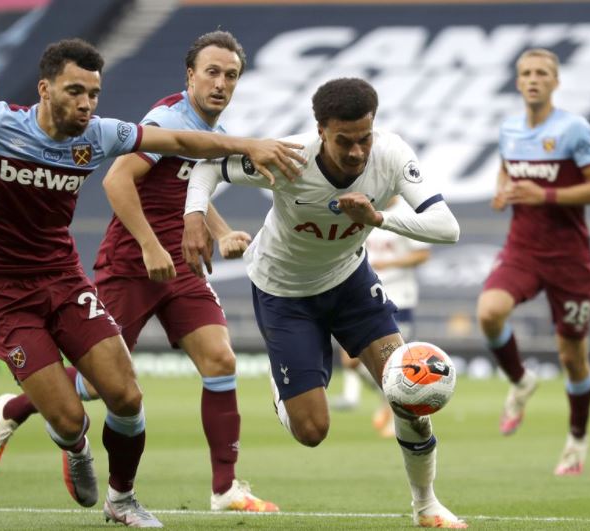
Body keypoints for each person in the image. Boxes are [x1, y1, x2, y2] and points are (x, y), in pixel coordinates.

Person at [0, 38, 302, 528]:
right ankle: (75, 447)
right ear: (45, 90)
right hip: (4, 293)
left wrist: (247, 145)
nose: (87, 104)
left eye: (94, 93)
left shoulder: (98, 135)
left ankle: (123, 500)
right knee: (70, 419)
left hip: (65, 280)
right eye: (75, 91)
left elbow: (178, 146)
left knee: (127, 395)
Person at [0, 31, 277, 513]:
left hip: (180, 267)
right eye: (212, 72)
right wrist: (148, 245)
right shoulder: (168, 119)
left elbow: (191, 193)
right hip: (131, 264)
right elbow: (117, 178)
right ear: (190, 75)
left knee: (221, 361)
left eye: (230, 75)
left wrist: (220, 231)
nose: (221, 83)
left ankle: (225, 490)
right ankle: (14, 408)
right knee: (102, 386)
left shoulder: (215, 130)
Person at [182, 78, 466, 528]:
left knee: (407, 393)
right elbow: (207, 168)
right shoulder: (287, 158)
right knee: (312, 432)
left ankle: (426, 504)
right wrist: (195, 216)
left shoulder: (391, 155)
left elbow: (447, 227)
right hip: (283, 292)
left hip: (350, 281)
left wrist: (378, 218)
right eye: (344, 141)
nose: (357, 152)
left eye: (364, 138)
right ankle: (284, 381)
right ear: (320, 131)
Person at [476, 48, 590, 476]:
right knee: (489, 312)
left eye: (541, 73)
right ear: (517, 82)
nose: (533, 79)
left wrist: (545, 195)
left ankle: (576, 438)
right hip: (523, 248)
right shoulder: (510, 129)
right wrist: (503, 190)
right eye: (526, 73)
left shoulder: (574, 129)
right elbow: (506, 171)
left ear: (555, 82)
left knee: (572, 355)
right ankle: (520, 381)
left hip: (570, 257)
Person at [331, 196, 431, 438]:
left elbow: (423, 254)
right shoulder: (364, 208)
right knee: (350, 361)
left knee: (396, 362)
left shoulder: (405, 214)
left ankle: (400, 416)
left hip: (399, 297)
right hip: (365, 295)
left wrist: (391, 262)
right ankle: (388, 397)